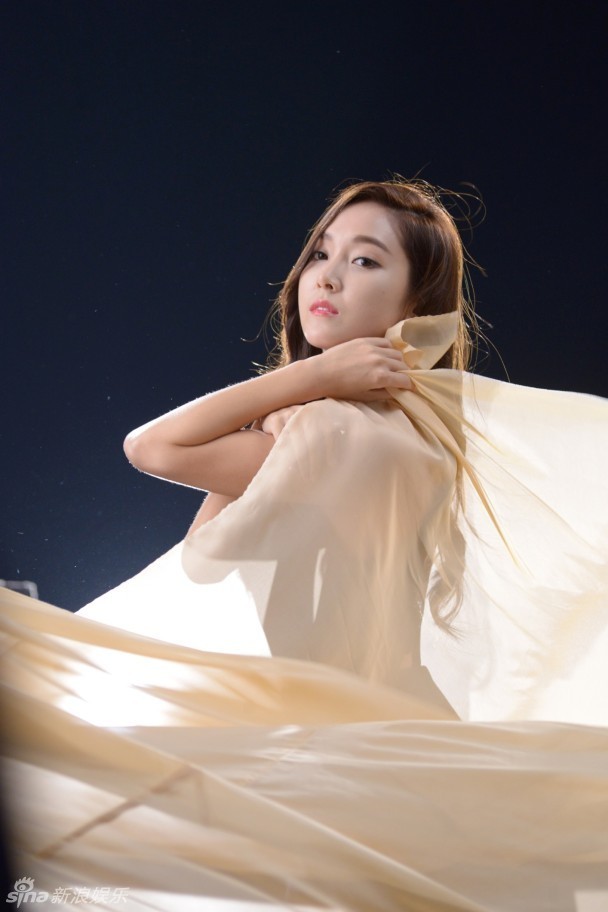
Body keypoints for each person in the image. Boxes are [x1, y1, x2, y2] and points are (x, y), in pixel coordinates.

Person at [2, 178, 608, 912]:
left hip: (324, 756)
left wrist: (305, 379)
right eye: (322, 253)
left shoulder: (332, 429)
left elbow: (150, 448)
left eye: (366, 260)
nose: (327, 275)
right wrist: (297, 400)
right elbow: (214, 551)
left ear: (417, 303)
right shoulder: (422, 432)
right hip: (402, 740)